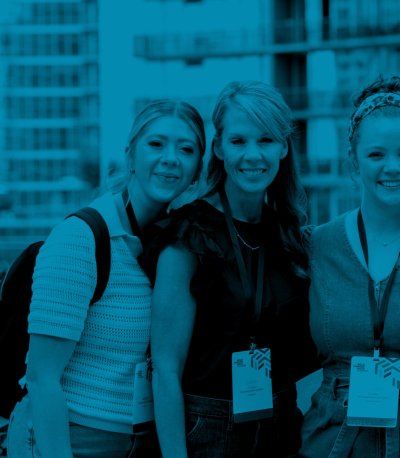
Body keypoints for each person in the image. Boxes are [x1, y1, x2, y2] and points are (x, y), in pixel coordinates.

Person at [6, 99, 206, 458]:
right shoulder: (82, 238)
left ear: (197, 169)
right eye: (156, 144)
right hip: (77, 439)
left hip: (143, 440)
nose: (171, 158)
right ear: (131, 156)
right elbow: (41, 378)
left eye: (186, 149)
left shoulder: (174, 243)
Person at [142, 81, 319, 457]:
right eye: (239, 142)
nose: (253, 155)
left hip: (280, 425)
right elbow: (166, 369)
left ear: (284, 147)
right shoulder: (189, 235)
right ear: (219, 148)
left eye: (266, 140)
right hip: (209, 430)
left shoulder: (289, 234)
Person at [299, 75, 400, 457]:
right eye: (376, 154)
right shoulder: (317, 245)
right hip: (330, 440)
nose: (392, 167)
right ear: (354, 164)